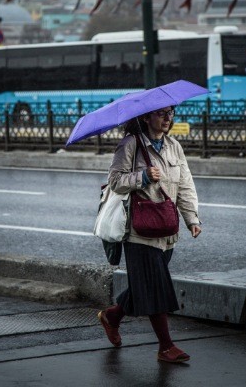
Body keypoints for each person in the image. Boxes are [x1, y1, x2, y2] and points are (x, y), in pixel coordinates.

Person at [97, 106, 202, 364]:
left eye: (171, 113)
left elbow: (185, 185)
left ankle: (112, 316)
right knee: (155, 286)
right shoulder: (130, 145)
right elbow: (115, 181)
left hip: (166, 230)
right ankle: (166, 347)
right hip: (139, 231)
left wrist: (192, 218)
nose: (168, 118)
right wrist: (142, 176)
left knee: (144, 284)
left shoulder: (174, 146)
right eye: (162, 113)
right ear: (146, 117)